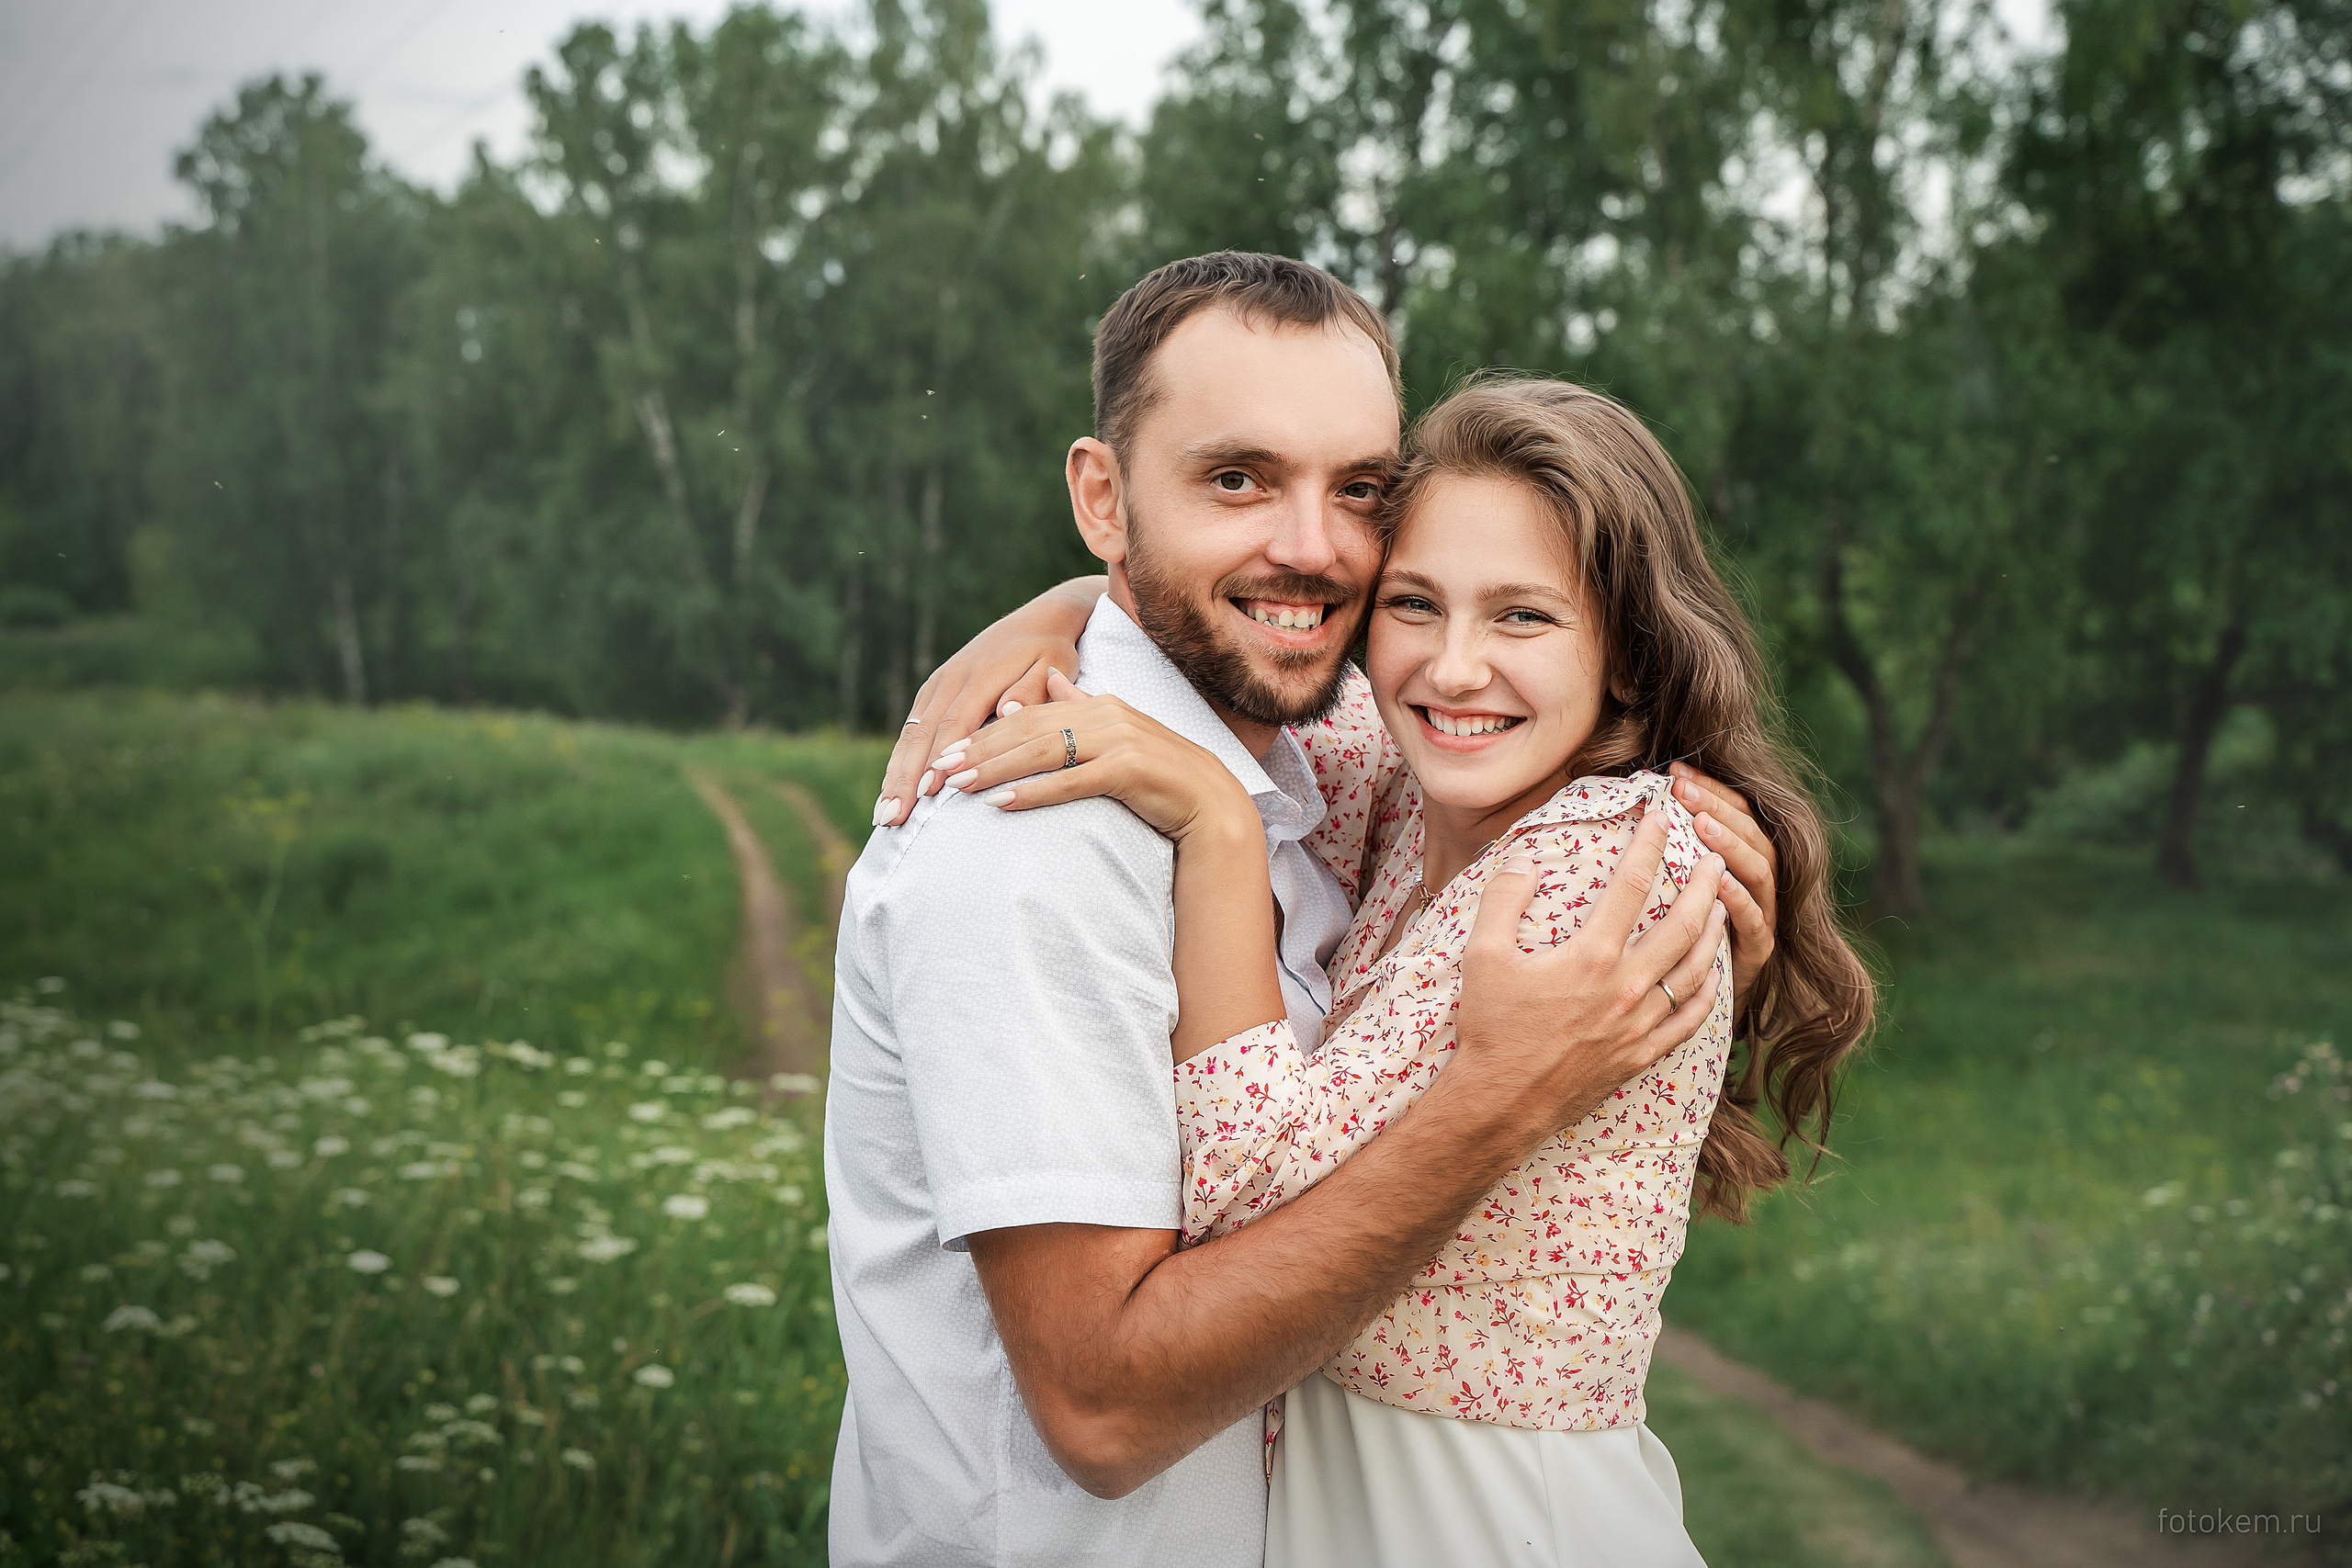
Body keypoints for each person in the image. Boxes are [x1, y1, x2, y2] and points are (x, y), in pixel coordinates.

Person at [824, 253, 1776, 1568]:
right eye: (1238, 479)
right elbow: (1101, 1410)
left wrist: (1122, 654)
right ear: (1102, 498)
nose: (1316, 546)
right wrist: (1063, 612)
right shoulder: (1033, 837)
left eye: (1361, 493)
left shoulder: (1301, 780)